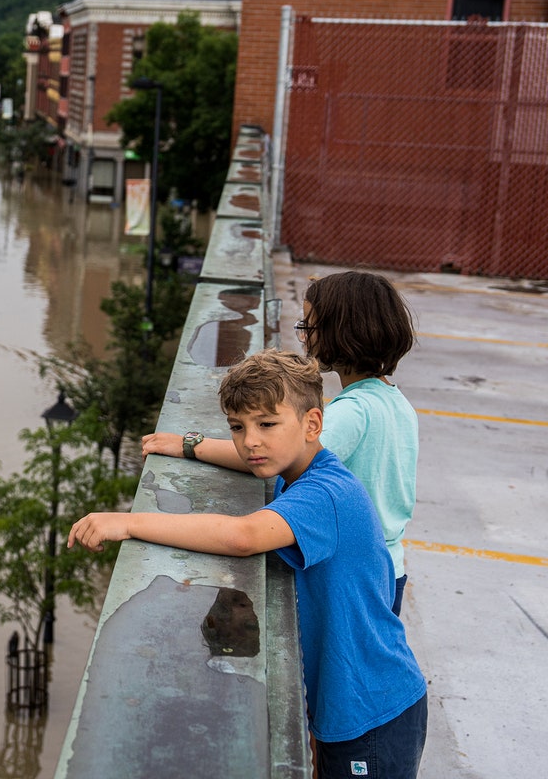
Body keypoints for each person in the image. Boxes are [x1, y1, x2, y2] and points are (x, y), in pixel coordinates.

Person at [69, 349, 427, 778]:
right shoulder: (299, 470)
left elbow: (243, 537)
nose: (250, 441)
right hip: (352, 699)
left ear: (313, 424)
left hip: (372, 710)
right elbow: (252, 459)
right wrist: (189, 446)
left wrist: (128, 523)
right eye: (238, 427)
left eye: (267, 424)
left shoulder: (326, 494)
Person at [141, 270, 418, 614]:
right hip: (389, 565)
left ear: (341, 332)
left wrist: (191, 446)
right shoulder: (394, 401)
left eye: (309, 327)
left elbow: (274, 455)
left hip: (357, 576)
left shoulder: (354, 412)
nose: (303, 337)